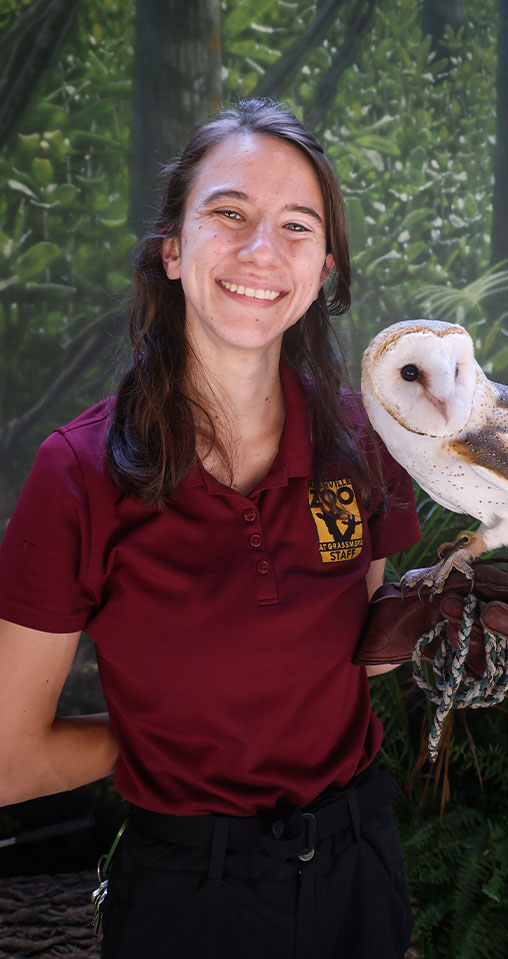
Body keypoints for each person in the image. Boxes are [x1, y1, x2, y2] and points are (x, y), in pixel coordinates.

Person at [0, 98, 422, 959]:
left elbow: (360, 650)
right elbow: (10, 758)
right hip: (191, 895)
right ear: (172, 248)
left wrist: (438, 623)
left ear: (323, 268)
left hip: (359, 871)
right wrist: (167, 742)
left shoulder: (364, 438)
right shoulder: (77, 472)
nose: (262, 249)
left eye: (296, 226)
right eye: (229, 213)